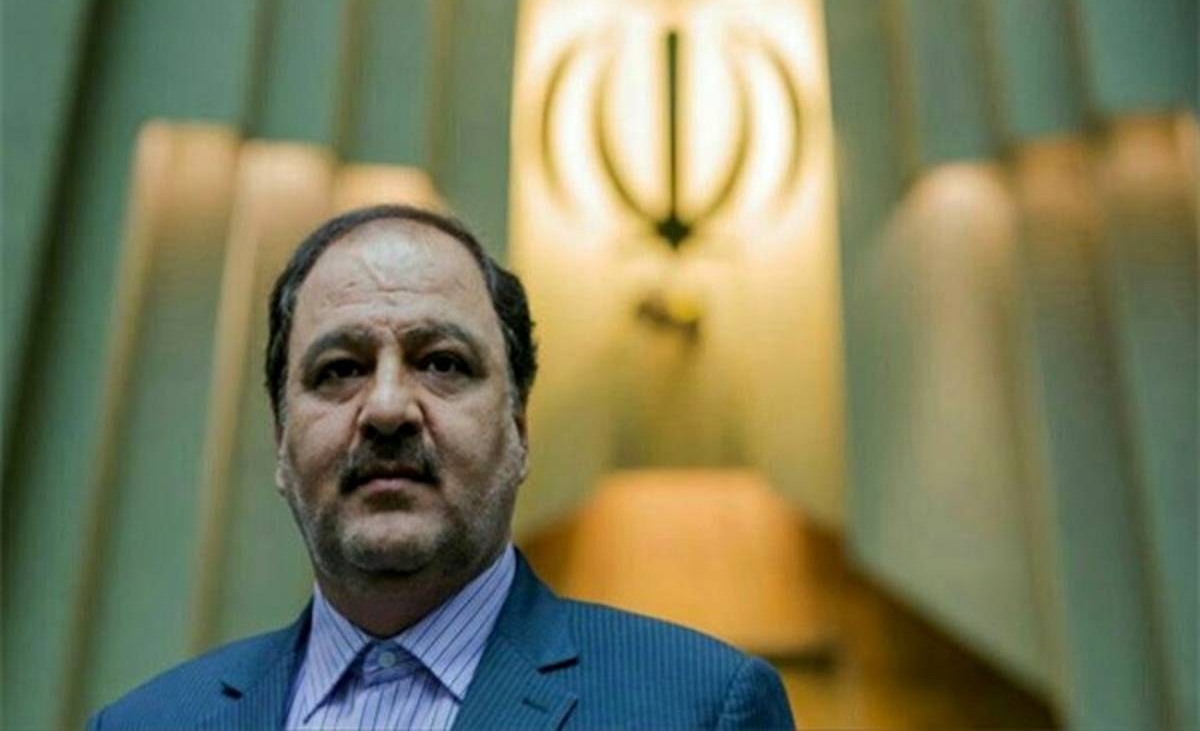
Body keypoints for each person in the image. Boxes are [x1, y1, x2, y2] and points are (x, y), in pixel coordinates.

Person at [89, 204, 795, 730]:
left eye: (442, 363)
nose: (387, 408)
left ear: (518, 428)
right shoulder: (142, 725)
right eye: (340, 369)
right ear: (281, 440)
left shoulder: (699, 710)